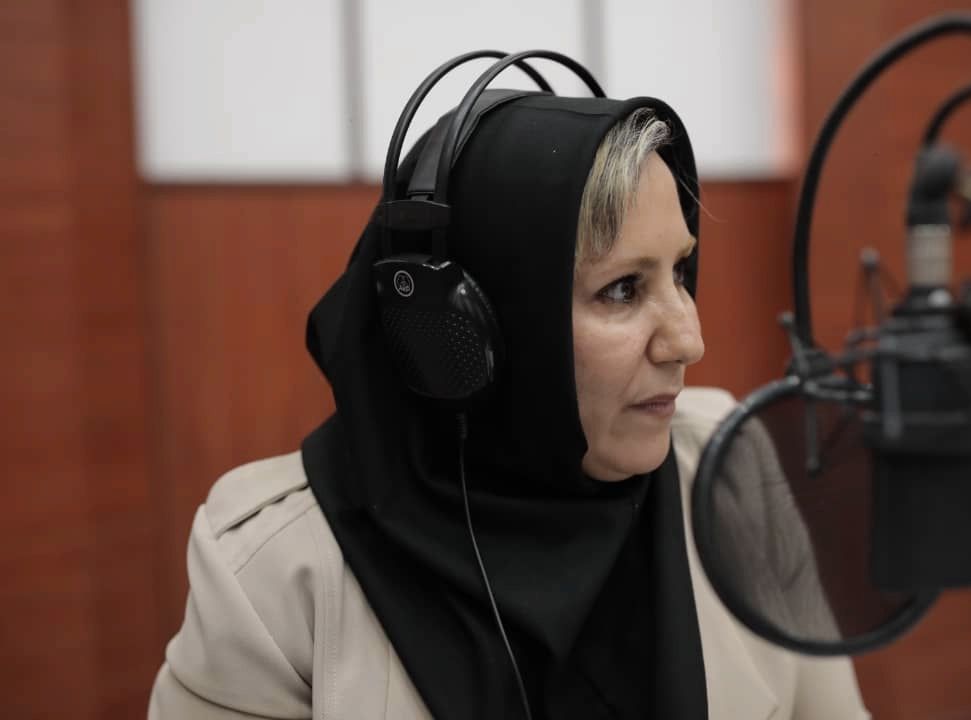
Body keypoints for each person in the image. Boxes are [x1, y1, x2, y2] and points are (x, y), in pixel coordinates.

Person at [149, 65, 870, 719]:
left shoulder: (734, 473)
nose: (688, 340)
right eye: (623, 289)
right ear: (462, 335)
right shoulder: (271, 576)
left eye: (680, 272)